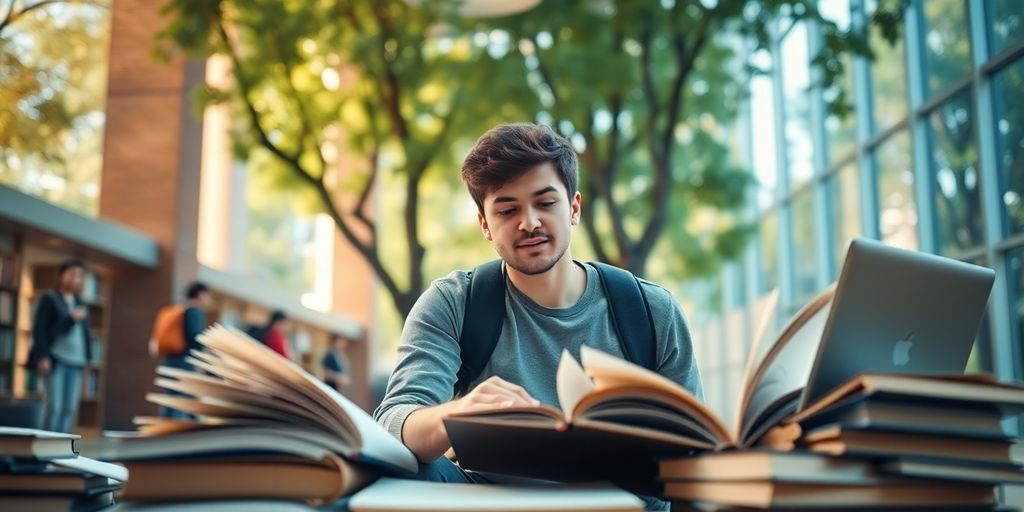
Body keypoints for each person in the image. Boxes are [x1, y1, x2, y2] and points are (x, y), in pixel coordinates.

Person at [373, 123, 702, 508]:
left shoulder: (652, 311)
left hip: (620, 504)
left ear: (574, 208)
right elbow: (393, 423)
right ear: (485, 224)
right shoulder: (454, 303)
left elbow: (692, 456)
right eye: (508, 209)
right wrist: (459, 413)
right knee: (402, 466)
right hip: (489, 503)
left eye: (545, 203)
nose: (528, 222)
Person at [28, 259, 92, 433]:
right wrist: (43, 356)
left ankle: (60, 448)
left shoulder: (81, 303)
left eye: (79, 275)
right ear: (61, 275)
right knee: (53, 407)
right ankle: (42, 447)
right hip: (56, 359)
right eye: (72, 274)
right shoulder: (49, 298)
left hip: (77, 362)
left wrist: (87, 359)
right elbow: (40, 329)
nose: (76, 279)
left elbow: (86, 335)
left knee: (69, 409)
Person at [159, 281, 212, 419]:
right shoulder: (195, 312)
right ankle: (187, 432)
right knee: (188, 397)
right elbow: (196, 336)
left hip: (173, 359)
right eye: (207, 295)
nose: (208, 299)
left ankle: (163, 430)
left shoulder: (181, 309)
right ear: (200, 294)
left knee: (173, 397)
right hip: (186, 361)